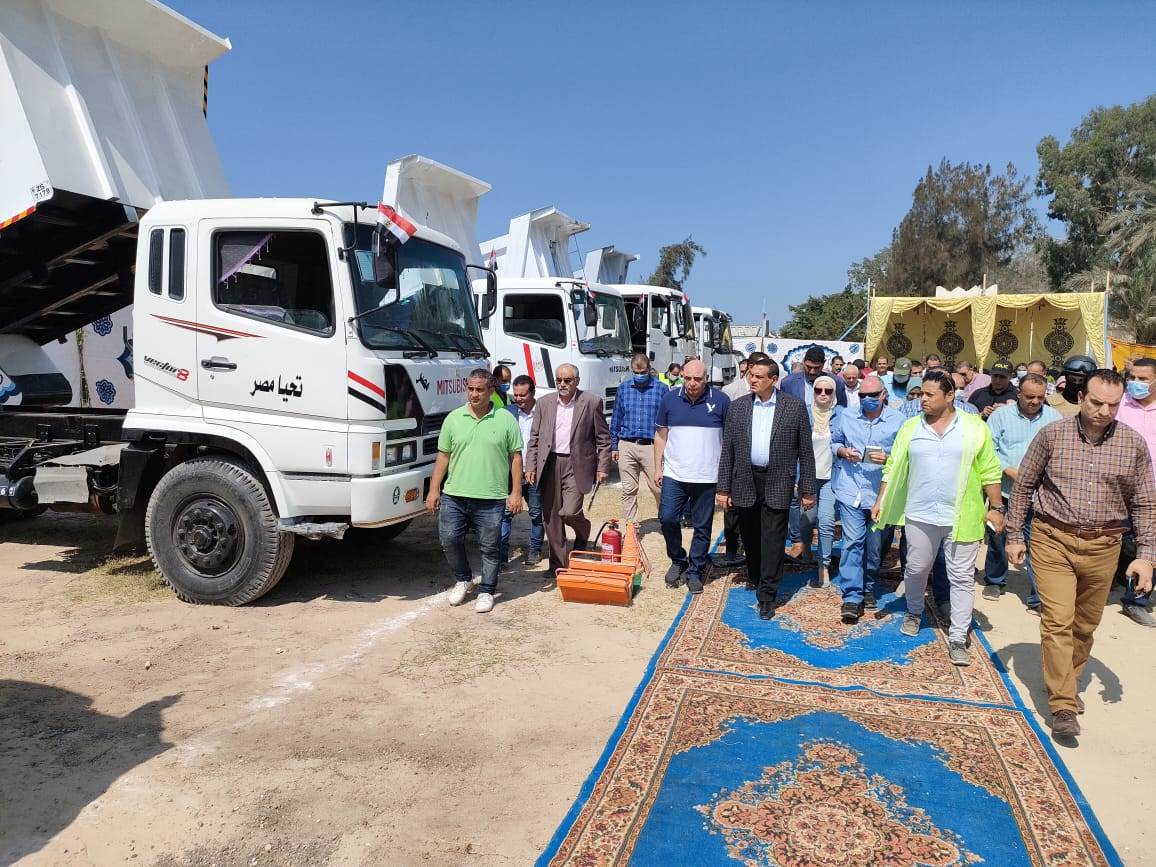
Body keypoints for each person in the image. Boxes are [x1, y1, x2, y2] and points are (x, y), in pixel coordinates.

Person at [1007, 369, 1155, 739]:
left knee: (1085, 625)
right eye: (1097, 402)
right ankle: (1063, 704)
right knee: (1057, 620)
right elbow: (1024, 485)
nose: (1104, 411)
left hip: (1105, 545)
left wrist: (1146, 555)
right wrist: (1014, 535)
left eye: (1113, 405)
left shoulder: (1133, 445)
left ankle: (1067, 682)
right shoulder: (1052, 435)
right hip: (1052, 538)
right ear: (1080, 398)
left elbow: (1145, 503)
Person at [872, 369, 1004, 666]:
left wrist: (996, 507)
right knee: (916, 569)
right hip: (919, 513)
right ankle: (914, 611)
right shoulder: (911, 427)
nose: (923, 399)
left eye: (930, 395)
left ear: (950, 396)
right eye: (922, 393)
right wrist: (881, 499)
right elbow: (893, 465)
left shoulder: (974, 427)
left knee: (961, 577)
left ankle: (958, 636)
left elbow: (989, 469)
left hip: (962, 516)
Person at [716, 357, 816, 620]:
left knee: (773, 539)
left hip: (778, 480)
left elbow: (806, 452)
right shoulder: (738, 407)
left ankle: (767, 595)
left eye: (759, 376)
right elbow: (728, 451)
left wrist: (807, 490)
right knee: (750, 536)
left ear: (773, 379)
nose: (752, 380)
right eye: (751, 375)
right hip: (745, 479)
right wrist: (723, 488)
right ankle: (755, 574)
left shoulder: (793, 407)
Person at [427, 368, 524, 613]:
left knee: (490, 547)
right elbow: (443, 456)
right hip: (454, 494)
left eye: (479, 389)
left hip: (491, 496)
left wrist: (516, 492)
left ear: (491, 390)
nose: (474, 394)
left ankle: (487, 590)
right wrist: (433, 489)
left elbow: (516, 458)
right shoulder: (453, 418)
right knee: (449, 540)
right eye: (470, 389)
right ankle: (463, 579)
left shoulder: (506, 419)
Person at [525, 364, 611, 585]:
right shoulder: (544, 403)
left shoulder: (591, 402)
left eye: (567, 380)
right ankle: (558, 564)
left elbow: (603, 439)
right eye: (559, 380)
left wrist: (603, 467)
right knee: (552, 517)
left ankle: (583, 530)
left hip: (577, 464)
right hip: (549, 463)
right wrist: (530, 466)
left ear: (577, 381)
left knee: (569, 512)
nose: (562, 384)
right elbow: (534, 438)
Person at [830, 373, 905, 622]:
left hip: (880, 494)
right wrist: (843, 451)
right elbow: (835, 442)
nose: (866, 399)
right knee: (852, 542)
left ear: (883, 395)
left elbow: (905, 455)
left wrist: (889, 458)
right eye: (862, 395)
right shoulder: (847, 415)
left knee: (875, 548)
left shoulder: (898, 421)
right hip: (851, 489)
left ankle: (868, 585)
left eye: (872, 395)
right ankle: (852, 596)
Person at [981, 373, 1059, 609]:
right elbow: (989, 450)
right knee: (999, 537)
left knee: (1038, 543)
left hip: (1040, 495)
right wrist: (1008, 469)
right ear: (1018, 394)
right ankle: (995, 580)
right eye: (1029, 397)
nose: (1035, 402)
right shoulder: (1000, 416)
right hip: (1006, 491)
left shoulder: (1054, 418)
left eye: (1040, 397)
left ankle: (1038, 595)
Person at [654, 360, 730, 594]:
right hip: (674, 474)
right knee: (667, 519)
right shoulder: (669, 399)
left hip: (707, 476)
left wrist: (725, 478)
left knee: (702, 526)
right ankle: (678, 559)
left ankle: (695, 570)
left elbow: (729, 441)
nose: (692, 383)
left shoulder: (721, 401)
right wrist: (657, 467)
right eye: (687, 378)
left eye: (697, 379)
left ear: (706, 378)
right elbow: (661, 435)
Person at [1114, 357, 1156, 626]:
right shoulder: (1119, 405)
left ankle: (1136, 599)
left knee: (1149, 543)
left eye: (1142, 379)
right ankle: (1109, 581)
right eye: (1132, 377)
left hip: (1153, 489)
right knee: (1115, 538)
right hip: (1119, 488)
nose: (1135, 383)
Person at [610, 353, 669, 526]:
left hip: (652, 446)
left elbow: (667, 419)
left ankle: (666, 521)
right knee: (629, 489)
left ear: (649, 369)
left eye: (642, 372)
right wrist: (614, 446)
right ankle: (631, 527)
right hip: (627, 444)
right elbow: (616, 417)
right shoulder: (624, 388)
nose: (639, 375)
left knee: (658, 487)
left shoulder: (661, 389)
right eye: (636, 372)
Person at [797, 376, 840, 584]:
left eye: (828, 391)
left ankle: (824, 565)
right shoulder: (803, 413)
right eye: (818, 390)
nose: (823, 394)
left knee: (826, 521)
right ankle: (806, 548)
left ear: (834, 393)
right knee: (806, 519)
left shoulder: (842, 415)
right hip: (808, 477)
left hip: (831, 477)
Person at [500, 375, 545, 567]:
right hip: (511, 474)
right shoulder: (506, 413)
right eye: (516, 395)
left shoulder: (544, 412)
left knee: (535, 514)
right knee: (505, 514)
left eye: (522, 395)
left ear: (532, 393)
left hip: (535, 473)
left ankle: (535, 550)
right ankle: (501, 555)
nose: (518, 398)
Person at [780, 346, 849, 406]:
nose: (812, 372)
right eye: (809, 367)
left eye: (816, 368)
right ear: (803, 361)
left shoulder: (837, 382)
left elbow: (841, 409)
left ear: (824, 363)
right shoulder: (788, 383)